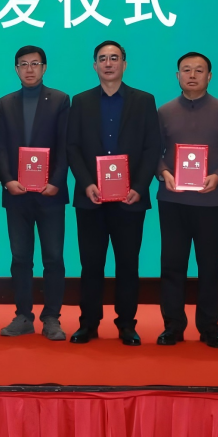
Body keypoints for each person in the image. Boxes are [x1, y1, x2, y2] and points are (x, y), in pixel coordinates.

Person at [66, 41, 160, 346]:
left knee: (128, 265)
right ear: (95, 66)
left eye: (114, 58)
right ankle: (88, 323)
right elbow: (72, 147)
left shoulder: (144, 101)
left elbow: (152, 147)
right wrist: (86, 183)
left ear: (124, 64)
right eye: (103, 59)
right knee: (91, 265)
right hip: (91, 198)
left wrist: (139, 187)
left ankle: (126, 324)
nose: (108, 63)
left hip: (130, 199)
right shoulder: (81, 101)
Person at [155, 52, 218, 349]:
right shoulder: (164, 111)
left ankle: (209, 328)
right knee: (172, 264)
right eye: (186, 70)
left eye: (199, 70)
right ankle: (172, 327)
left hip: (211, 201)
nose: (192, 75)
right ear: (177, 75)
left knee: (209, 266)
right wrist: (163, 172)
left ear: (209, 76)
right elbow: (153, 152)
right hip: (173, 200)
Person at [0, 45, 70, 341]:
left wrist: (57, 181)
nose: (29, 69)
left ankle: (52, 318)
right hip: (17, 193)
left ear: (44, 67)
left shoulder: (60, 100)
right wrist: (7, 180)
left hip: (51, 193)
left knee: (53, 258)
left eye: (35, 64)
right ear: (16, 69)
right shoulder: (4, 103)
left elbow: (65, 145)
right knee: (20, 257)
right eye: (23, 64)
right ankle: (23, 315)